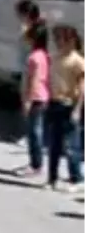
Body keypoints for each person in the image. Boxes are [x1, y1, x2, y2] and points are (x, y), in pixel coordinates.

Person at [45, 24, 85, 193]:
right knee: (53, 144)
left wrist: (77, 109)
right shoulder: (54, 57)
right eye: (56, 39)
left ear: (71, 40)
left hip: (69, 104)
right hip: (54, 103)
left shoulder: (78, 61)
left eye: (61, 39)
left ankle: (77, 178)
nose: (58, 42)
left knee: (71, 145)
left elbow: (82, 88)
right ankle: (52, 178)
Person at [14, 22, 50, 179]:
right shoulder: (44, 55)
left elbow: (34, 80)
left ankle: (36, 165)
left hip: (35, 98)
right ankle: (36, 163)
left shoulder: (34, 57)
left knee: (34, 132)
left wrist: (27, 100)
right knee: (36, 131)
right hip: (42, 97)